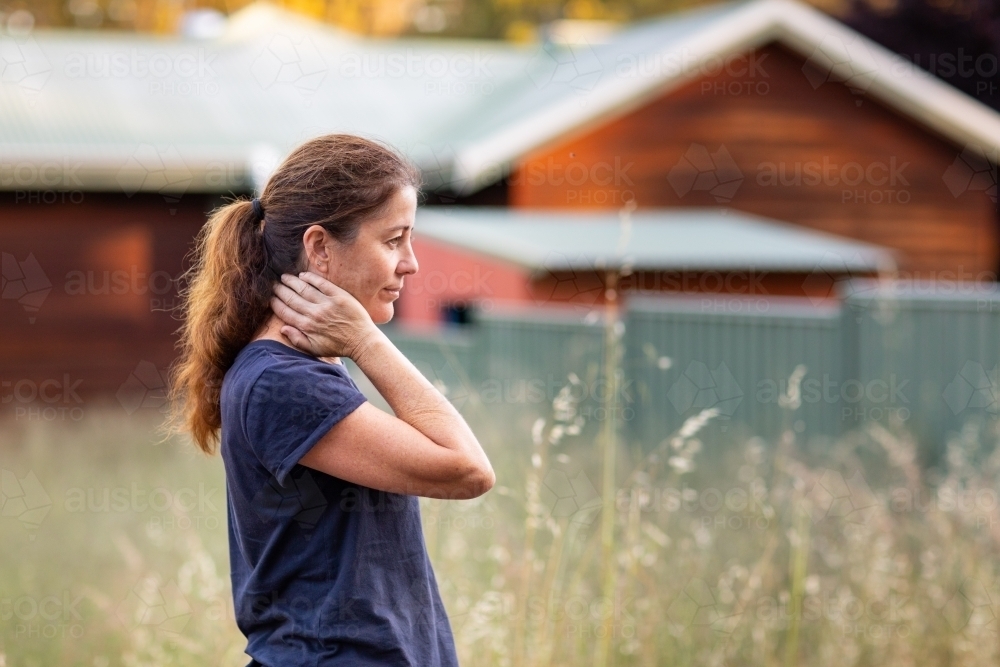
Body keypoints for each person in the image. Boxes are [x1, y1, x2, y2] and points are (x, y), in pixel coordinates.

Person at [163, 133, 495, 666]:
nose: (410, 263)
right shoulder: (282, 383)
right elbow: (467, 469)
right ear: (318, 247)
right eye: (394, 240)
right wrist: (366, 340)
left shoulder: (305, 366)